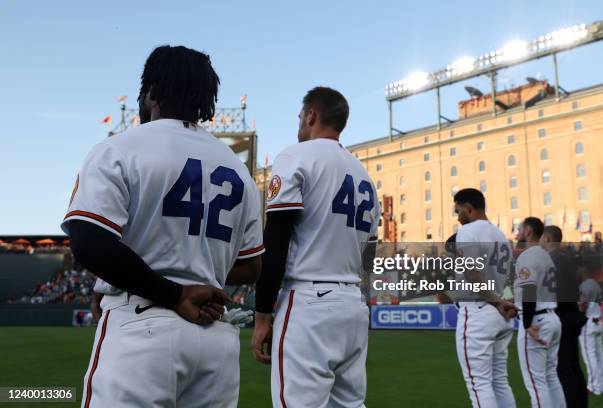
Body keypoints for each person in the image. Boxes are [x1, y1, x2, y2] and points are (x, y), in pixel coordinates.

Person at [62, 45, 263, 407]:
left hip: (143, 322)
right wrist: (198, 272)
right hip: (215, 338)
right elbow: (251, 265)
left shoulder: (120, 148)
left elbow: (88, 241)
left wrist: (176, 292)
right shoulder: (238, 171)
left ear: (151, 93)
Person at [251, 87, 380, 407]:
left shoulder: (296, 156)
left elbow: (276, 241)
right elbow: (369, 255)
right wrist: (362, 302)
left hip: (309, 303)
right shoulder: (364, 175)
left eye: (300, 116)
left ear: (311, 115)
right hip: (353, 303)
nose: (299, 123)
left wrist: (262, 314)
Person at [452, 188, 518, 408]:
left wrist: (498, 301)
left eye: (458, 210)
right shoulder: (501, 235)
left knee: (478, 384)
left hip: (480, 311)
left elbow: (472, 276)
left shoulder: (468, 231)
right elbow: (510, 279)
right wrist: (505, 302)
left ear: (468, 208)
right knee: (499, 381)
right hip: (500, 313)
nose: (457, 215)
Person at [515, 217, 565, 408]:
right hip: (552, 317)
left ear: (528, 231)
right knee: (551, 376)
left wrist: (527, 323)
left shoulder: (527, 256)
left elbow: (529, 290)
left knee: (536, 383)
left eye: (520, 229)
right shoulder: (545, 255)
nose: (517, 233)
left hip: (536, 321)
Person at [540, 225, 588, 407]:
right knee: (573, 366)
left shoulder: (552, 260)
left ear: (547, 238)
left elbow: (554, 291)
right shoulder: (566, 259)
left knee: (563, 369)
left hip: (562, 317)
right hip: (571, 315)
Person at [578, 267, 603, 395]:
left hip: (589, 323)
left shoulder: (584, 285)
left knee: (589, 356)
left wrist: (578, 312)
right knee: (600, 355)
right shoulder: (596, 284)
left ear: (583, 274)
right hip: (598, 322)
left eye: (579, 273)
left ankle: (592, 387)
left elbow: (582, 305)